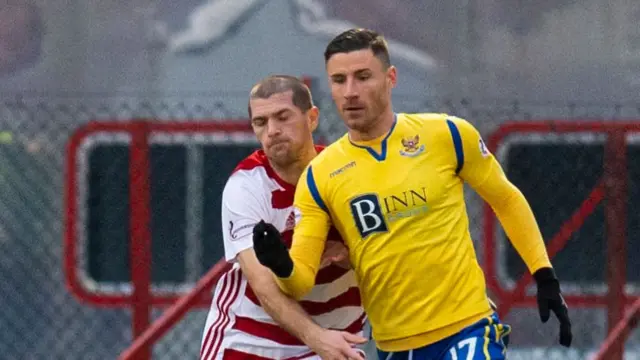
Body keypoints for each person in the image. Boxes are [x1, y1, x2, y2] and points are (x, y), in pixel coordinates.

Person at [252, 28, 572, 359]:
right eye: (339, 80)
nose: (350, 92)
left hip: (468, 328)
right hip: (396, 347)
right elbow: (301, 279)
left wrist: (543, 274)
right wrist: (281, 265)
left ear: (391, 78)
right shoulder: (320, 176)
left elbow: (505, 198)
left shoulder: (446, 134)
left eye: (363, 77)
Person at [200, 75, 368, 360]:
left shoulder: (348, 175)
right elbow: (263, 285)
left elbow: (385, 255)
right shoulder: (247, 186)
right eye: (261, 122)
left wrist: (351, 254)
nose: (272, 130)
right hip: (251, 339)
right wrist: (317, 338)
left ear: (312, 118)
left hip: (336, 336)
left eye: (282, 117)